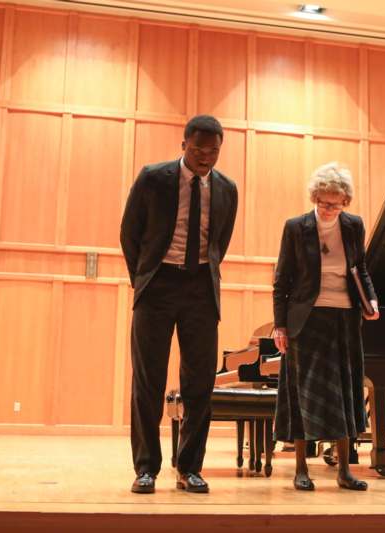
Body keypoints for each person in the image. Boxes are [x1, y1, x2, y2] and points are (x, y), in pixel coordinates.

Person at [121, 115, 238, 494]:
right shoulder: (153, 178)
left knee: (200, 383)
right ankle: (146, 469)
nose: (206, 157)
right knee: (148, 382)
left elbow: (221, 241)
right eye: (199, 149)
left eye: (214, 151)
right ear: (184, 144)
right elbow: (130, 233)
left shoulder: (227, 189)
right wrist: (143, 280)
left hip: (201, 289)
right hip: (158, 285)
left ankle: (189, 468)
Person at [271, 161, 380, 491]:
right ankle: (301, 469)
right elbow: (282, 281)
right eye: (322, 202)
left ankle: (344, 471)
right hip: (306, 321)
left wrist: (371, 300)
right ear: (314, 198)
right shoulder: (295, 227)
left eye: (335, 203)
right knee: (303, 395)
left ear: (346, 201)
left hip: (345, 318)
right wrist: (280, 326)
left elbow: (360, 268)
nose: (329, 209)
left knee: (345, 393)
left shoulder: (353, 226)